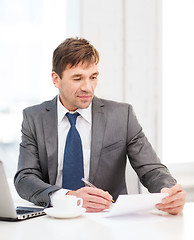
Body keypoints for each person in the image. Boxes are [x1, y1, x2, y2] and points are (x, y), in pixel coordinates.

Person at [14, 37, 186, 214]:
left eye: (93, 77)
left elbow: (151, 168)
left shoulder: (122, 116)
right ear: (56, 79)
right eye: (78, 78)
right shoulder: (34, 118)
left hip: (109, 220)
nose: (88, 87)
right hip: (53, 218)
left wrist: (168, 191)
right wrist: (69, 197)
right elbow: (25, 179)